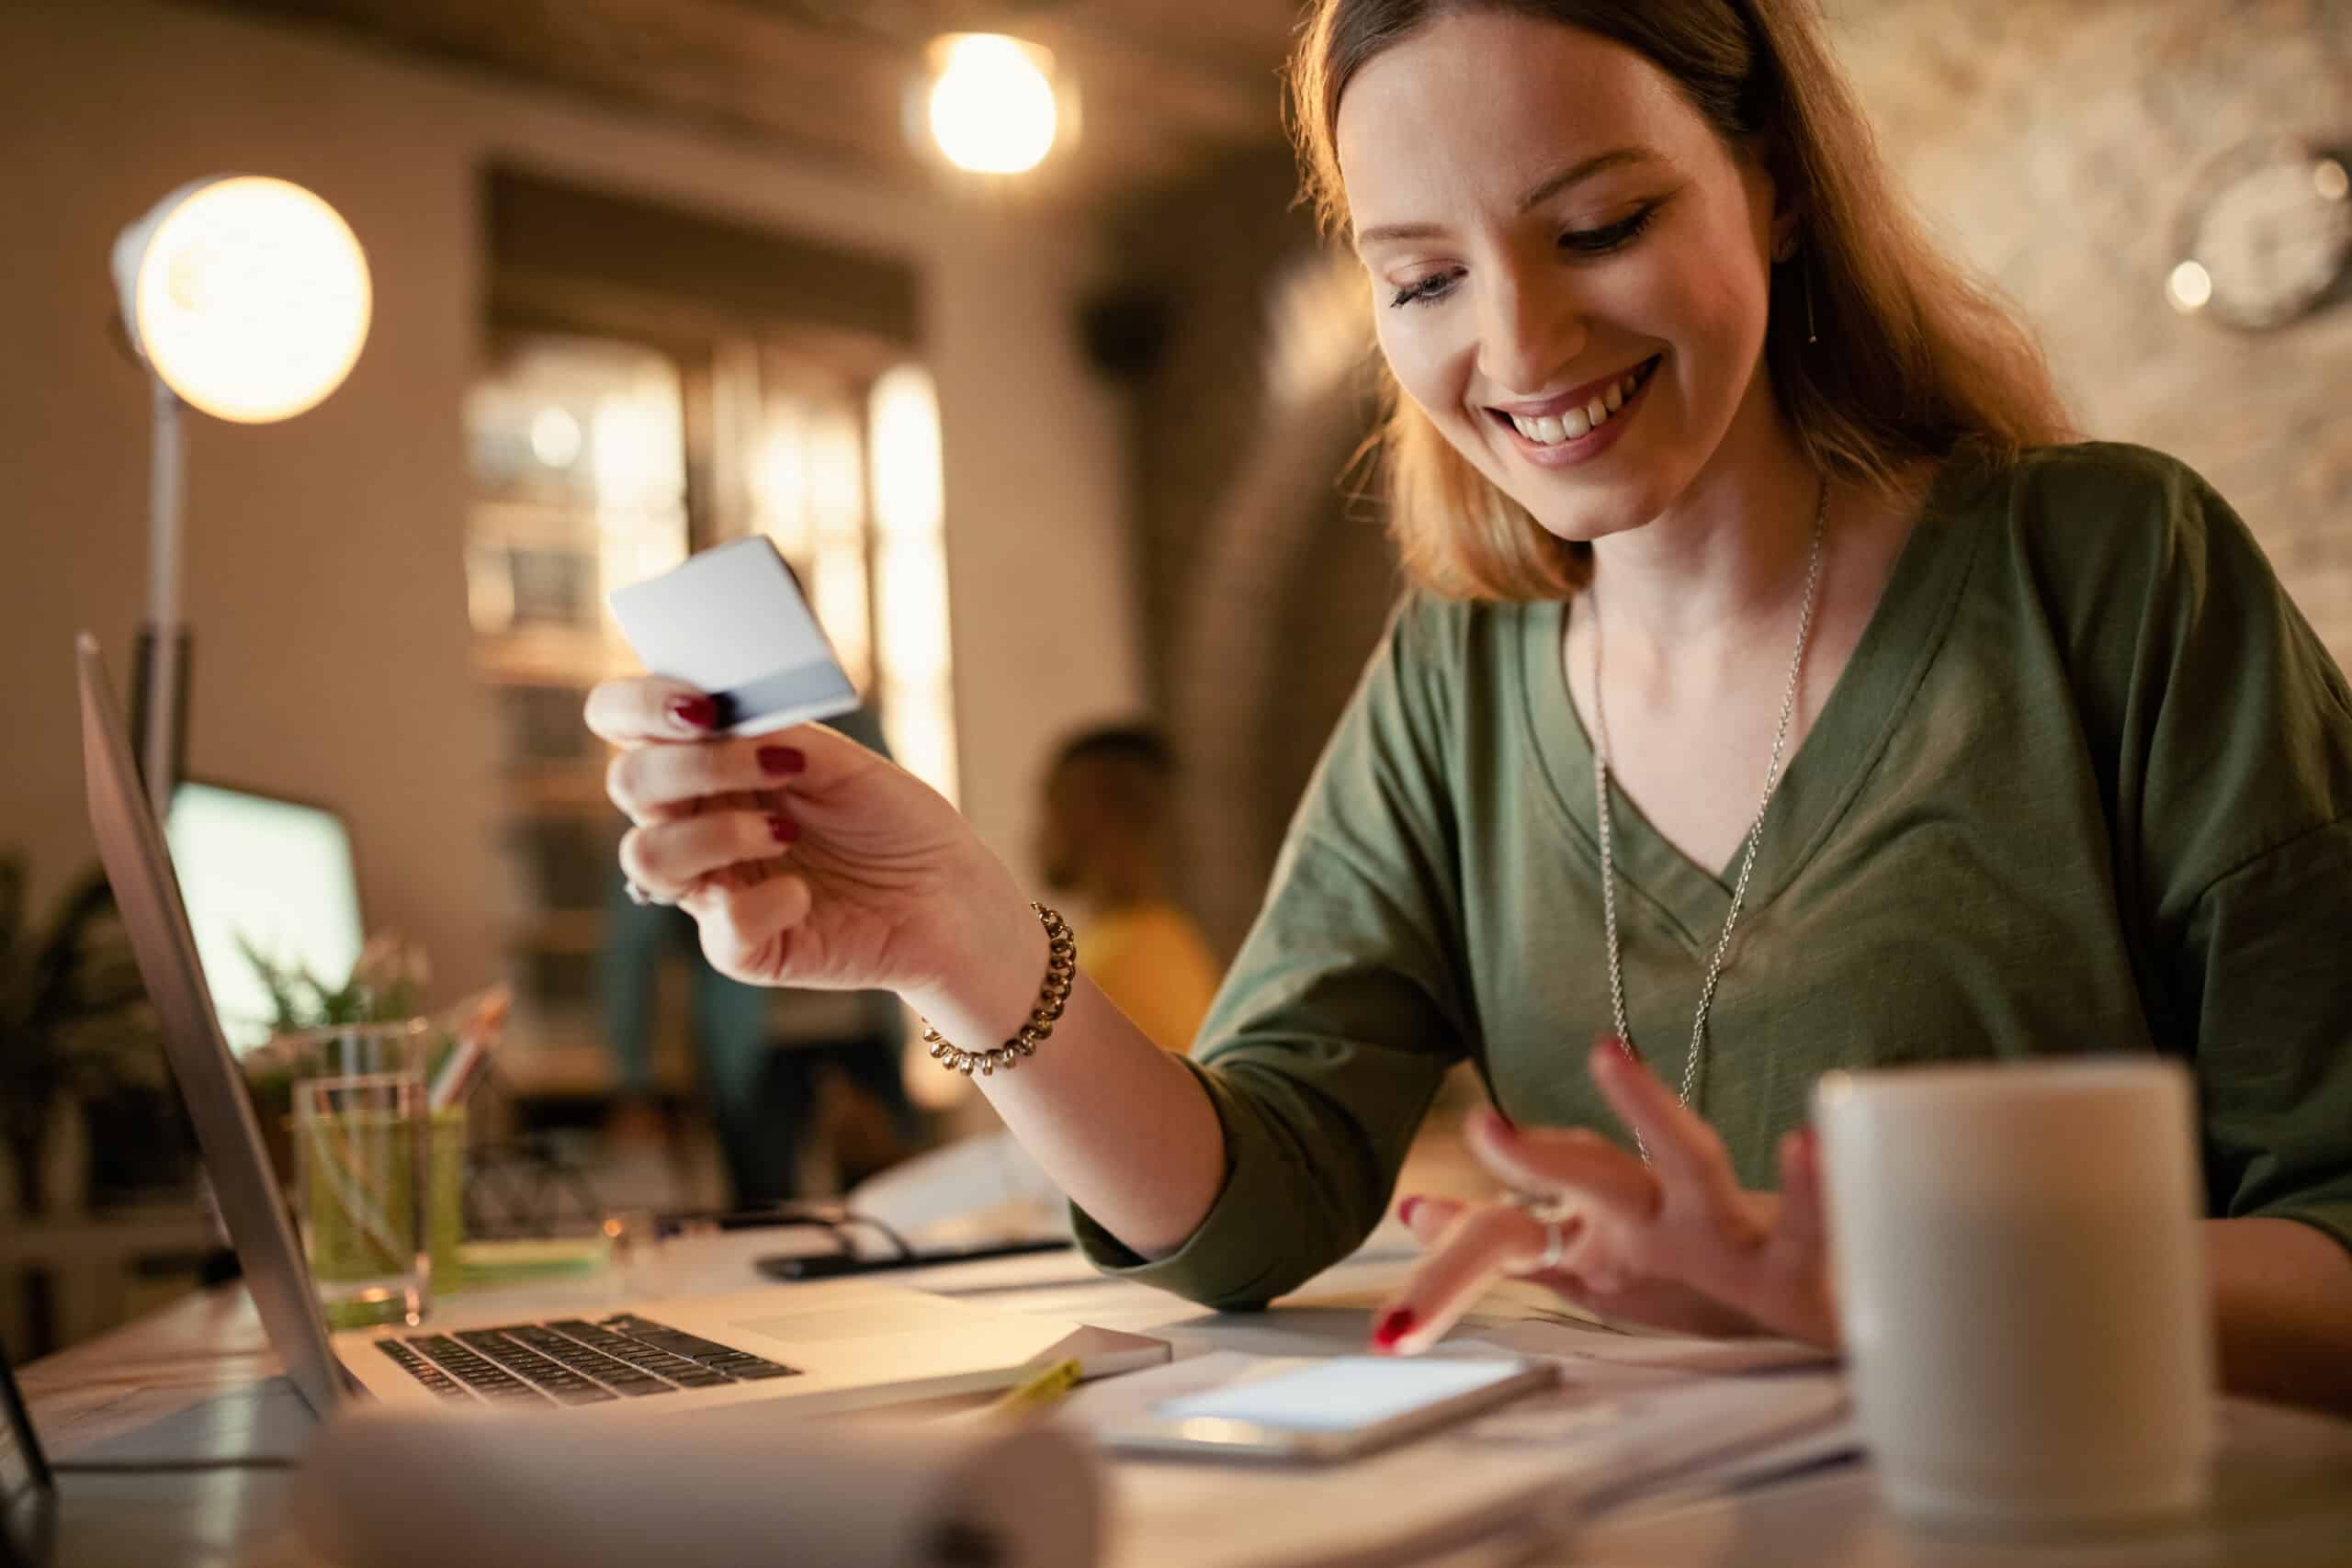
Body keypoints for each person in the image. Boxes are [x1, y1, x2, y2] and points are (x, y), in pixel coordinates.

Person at [587, 0, 2352, 1412]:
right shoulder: (1458, 676)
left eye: (1599, 224)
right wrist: (962, 932)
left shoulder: (2112, 569)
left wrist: (1872, 1288)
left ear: (1778, 184)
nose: (1515, 346)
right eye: (1422, 276)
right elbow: (1248, 1202)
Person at [601, 700, 915, 1207]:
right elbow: (634, 944)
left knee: (893, 1208)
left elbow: (901, 855)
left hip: (862, 1028)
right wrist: (632, 1079)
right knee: (767, 1210)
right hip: (753, 1042)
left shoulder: (850, 722)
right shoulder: (685, 748)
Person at [1035, 725, 1221, 1054]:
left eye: (1052, 803)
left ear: (1094, 812)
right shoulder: (1155, 942)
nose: (1039, 832)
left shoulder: (1131, 967)